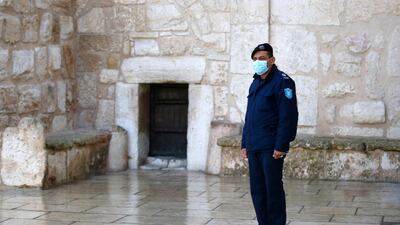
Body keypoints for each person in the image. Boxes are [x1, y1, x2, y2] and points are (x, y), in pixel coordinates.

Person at [241, 43, 298, 225]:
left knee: (272, 190)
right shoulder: (255, 82)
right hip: (254, 145)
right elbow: (250, 116)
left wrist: (281, 145)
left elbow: (288, 116)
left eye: (262, 58)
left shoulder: (283, 81)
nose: (258, 62)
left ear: (272, 60)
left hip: (271, 147)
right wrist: (245, 142)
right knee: (257, 190)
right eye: (255, 59)